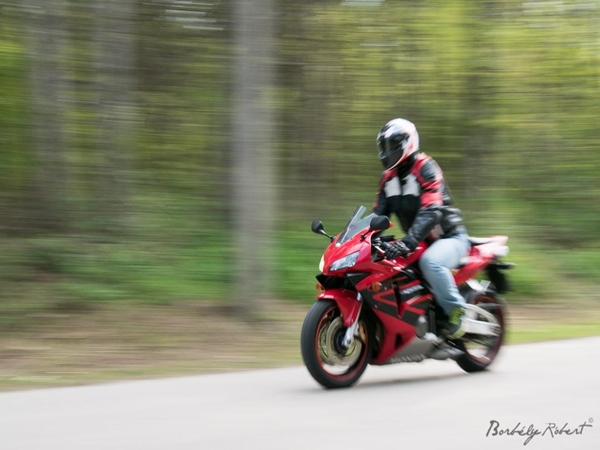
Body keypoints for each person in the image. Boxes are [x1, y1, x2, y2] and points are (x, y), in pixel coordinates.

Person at [373, 118, 470, 338]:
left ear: (407, 144)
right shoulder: (388, 179)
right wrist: (361, 239)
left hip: (449, 238)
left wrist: (407, 242)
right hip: (419, 240)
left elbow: (431, 211)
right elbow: (379, 214)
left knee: (431, 262)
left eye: (392, 146)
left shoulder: (426, 168)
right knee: (388, 265)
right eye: (384, 147)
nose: (387, 152)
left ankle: (457, 311)